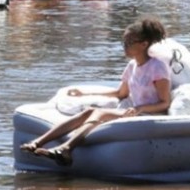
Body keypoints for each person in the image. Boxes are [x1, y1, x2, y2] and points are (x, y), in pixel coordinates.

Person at [19, 17, 171, 166]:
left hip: (149, 114)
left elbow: (165, 103)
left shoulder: (157, 67)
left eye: (129, 42)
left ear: (144, 44)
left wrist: (140, 109)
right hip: (133, 112)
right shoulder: (132, 66)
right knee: (90, 111)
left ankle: (66, 148)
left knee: (99, 113)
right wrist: (84, 94)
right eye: (123, 42)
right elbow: (120, 94)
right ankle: (37, 142)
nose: (125, 46)